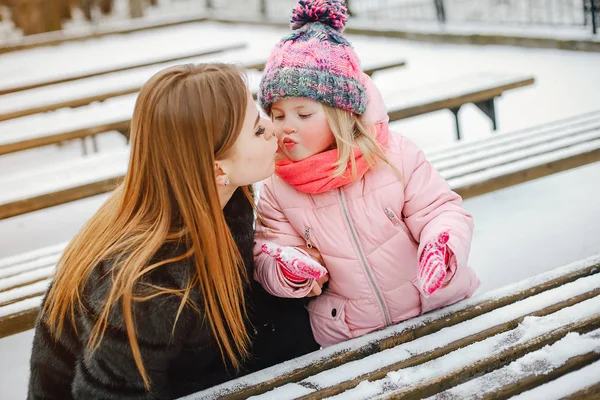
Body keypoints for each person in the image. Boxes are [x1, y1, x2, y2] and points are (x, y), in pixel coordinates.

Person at [27, 63, 319, 399]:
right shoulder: (147, 284)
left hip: (190, 364)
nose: (273, 128)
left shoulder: (220, 197)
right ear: (216, 168)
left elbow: (228, 302)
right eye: (256, 130)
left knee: (304, 324)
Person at [253, 0, 480, 348]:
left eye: (303, 114)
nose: (288, 128)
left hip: (436, 311)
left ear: (341, 113)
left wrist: (442, 246)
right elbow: (272, 249)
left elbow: (440, 211)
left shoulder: (393, 155)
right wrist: (288, 272)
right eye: (279, 115)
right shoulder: (277, 184)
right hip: (352, 335)